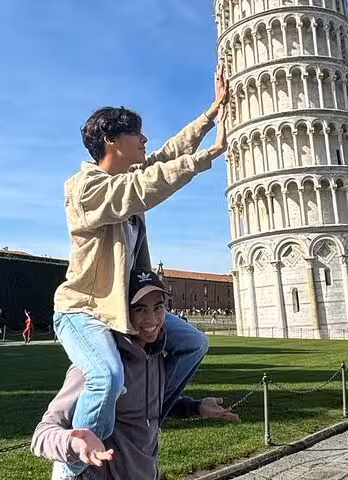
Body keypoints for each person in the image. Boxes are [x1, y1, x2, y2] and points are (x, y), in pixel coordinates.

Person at [50, 64, 229, 477]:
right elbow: (140, 188)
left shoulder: (126, 174)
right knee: (107, 377)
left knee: (194, 344)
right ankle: (72, 468)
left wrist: (212, 112)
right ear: (112, 140)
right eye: (137, 134)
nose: (145, 140)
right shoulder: (85, 188)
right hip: (83, 312)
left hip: (119, 309)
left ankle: (150, 413)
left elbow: (166, 155)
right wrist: (209, 157)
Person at [33, 269, 239, 479]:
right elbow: (42, 434)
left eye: (158, 308)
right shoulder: (98, 369)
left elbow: (144, 409)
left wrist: (195, 407)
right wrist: (73, 443)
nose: (152, 319)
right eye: (140, 309)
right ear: (123, 313)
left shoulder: (157, 358)